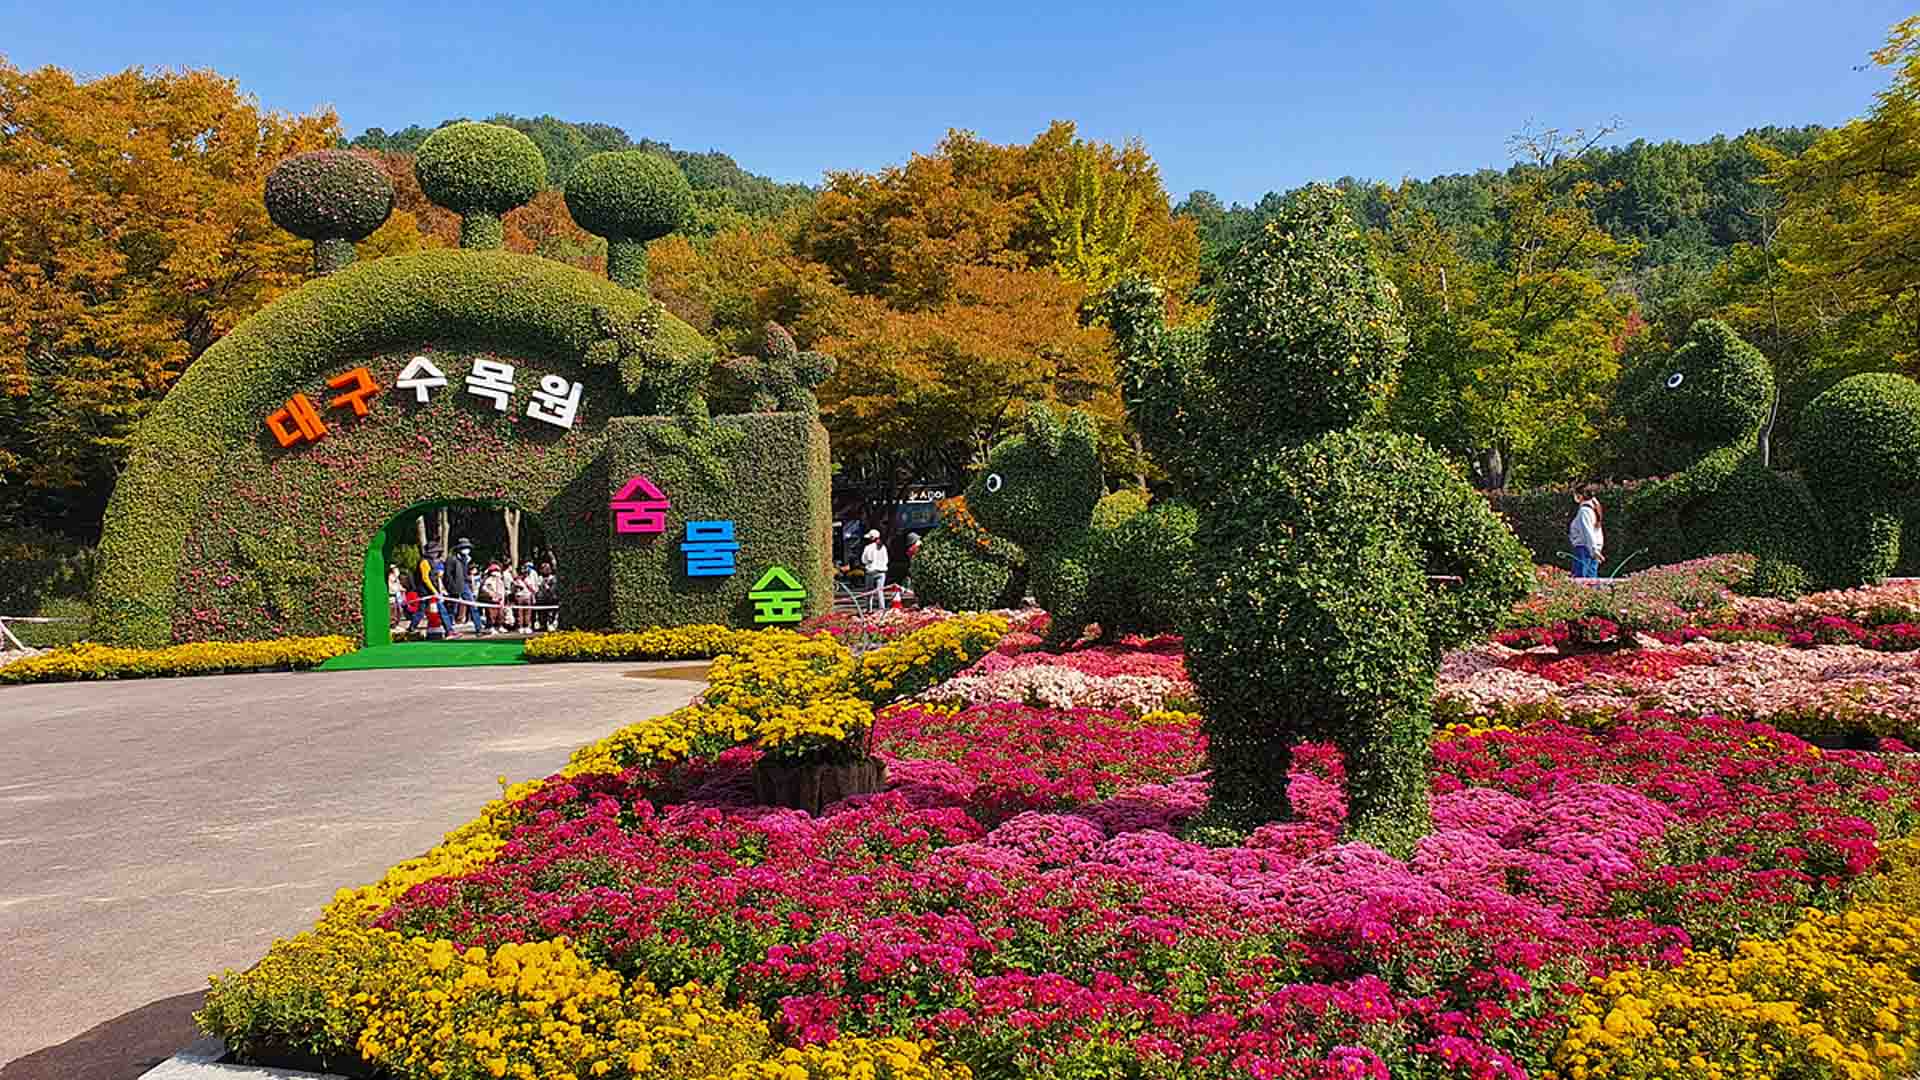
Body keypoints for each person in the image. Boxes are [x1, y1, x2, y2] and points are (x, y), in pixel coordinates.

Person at [407, 545, 445, 636]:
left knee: (423, 611)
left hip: (429, 590)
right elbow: (425, 578)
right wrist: (434, 590)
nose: (437, 554)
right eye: (435, 552)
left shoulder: (431, 562)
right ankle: (411, 627)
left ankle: (412, 627)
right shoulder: (424, 562)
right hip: (425, 591)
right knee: (422, 610)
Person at [1569, 494, 1604, 579]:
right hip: (1591, 549)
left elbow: (1588, 532)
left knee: (1581, 580)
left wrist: (1594, 550)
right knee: (1591, 580)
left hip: (1584, 550)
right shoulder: (1592, 509)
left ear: (1580, 495)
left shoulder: (1584, 511)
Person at [861, 528, 890, 601]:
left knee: (869, 592)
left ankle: (869, 607)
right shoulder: (883, 547)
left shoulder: (868, 547)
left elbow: (864, 560)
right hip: (882, 572)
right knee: (880, 592)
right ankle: (882, 607)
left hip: (871, 572)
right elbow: (886, 560)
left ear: (872, 538)